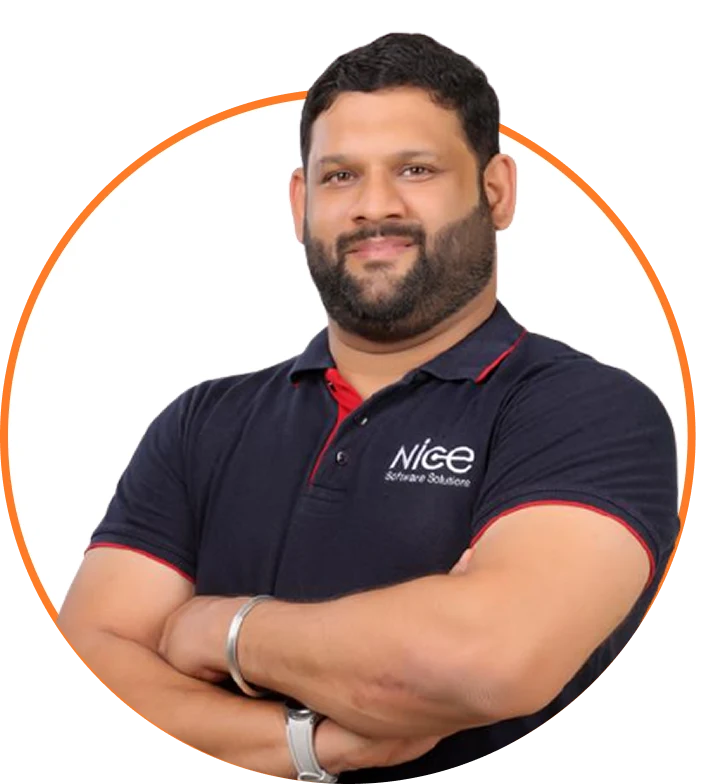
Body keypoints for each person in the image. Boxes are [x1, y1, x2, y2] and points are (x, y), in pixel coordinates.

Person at [57, 31, 679, 782]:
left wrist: (221, 627)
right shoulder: (201, 424)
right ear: (301, 202)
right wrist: (312, 745)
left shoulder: (589, 412)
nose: (374, 206)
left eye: (416, 169)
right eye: (342, 175)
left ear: (495, 191)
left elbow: (486, 660)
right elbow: (96, 658)